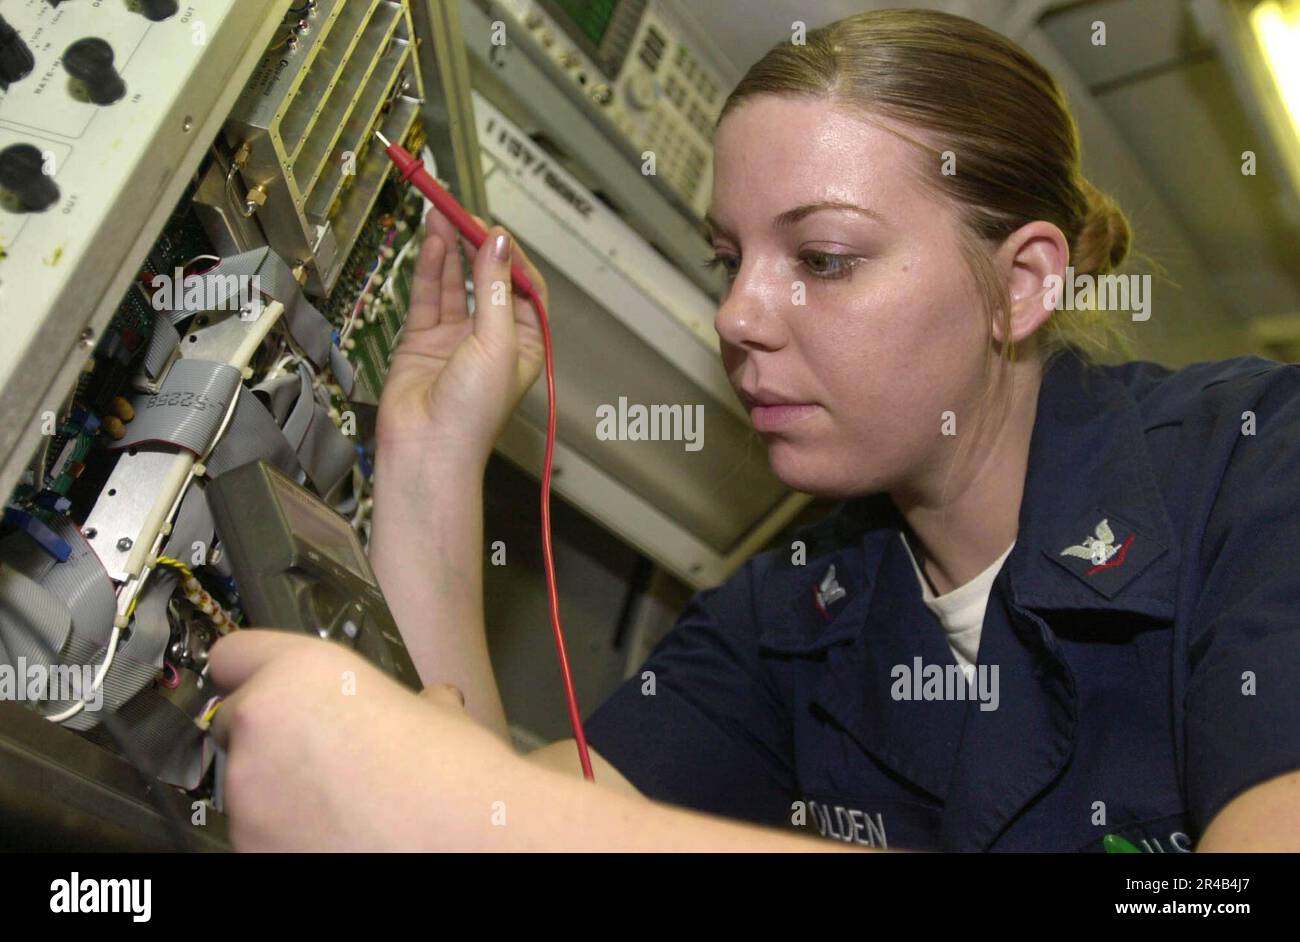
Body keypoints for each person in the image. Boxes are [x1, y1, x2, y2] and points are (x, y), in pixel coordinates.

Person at [207, 8, 1300, 851]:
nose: (733, 314)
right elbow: (509, 824)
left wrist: (477, 815)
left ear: (1020, 285)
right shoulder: (791, 608)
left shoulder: (1256, 471)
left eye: (821, 259)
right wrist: (431, 460)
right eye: (729, 261)